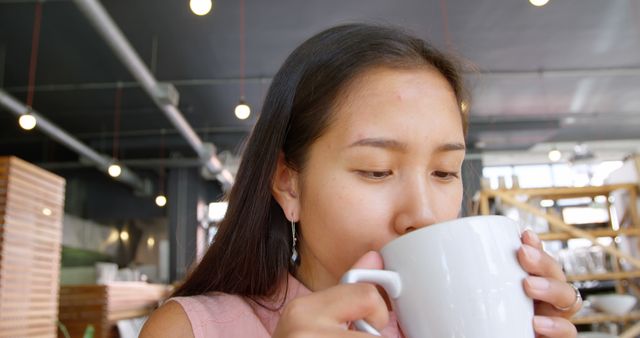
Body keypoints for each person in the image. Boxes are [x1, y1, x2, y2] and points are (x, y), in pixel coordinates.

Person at [140, 24, 580, 338]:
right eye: (376, 170)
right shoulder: (190, 329)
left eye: (445, 172)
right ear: (288, 184)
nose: (424, 214)